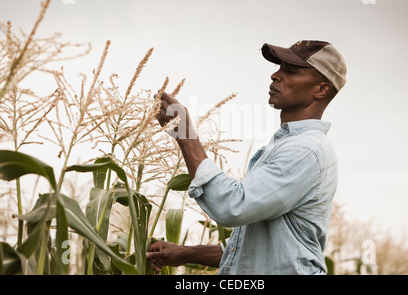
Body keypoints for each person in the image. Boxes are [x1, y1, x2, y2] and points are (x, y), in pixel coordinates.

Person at [146, 40, 347, 275]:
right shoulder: (287, 145)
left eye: (290, 71)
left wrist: (186, 137)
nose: (275, 75)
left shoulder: (305, 150)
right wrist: (182, 254)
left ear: (321, 90)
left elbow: (232, 206)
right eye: (279, 67)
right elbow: (255, 251)